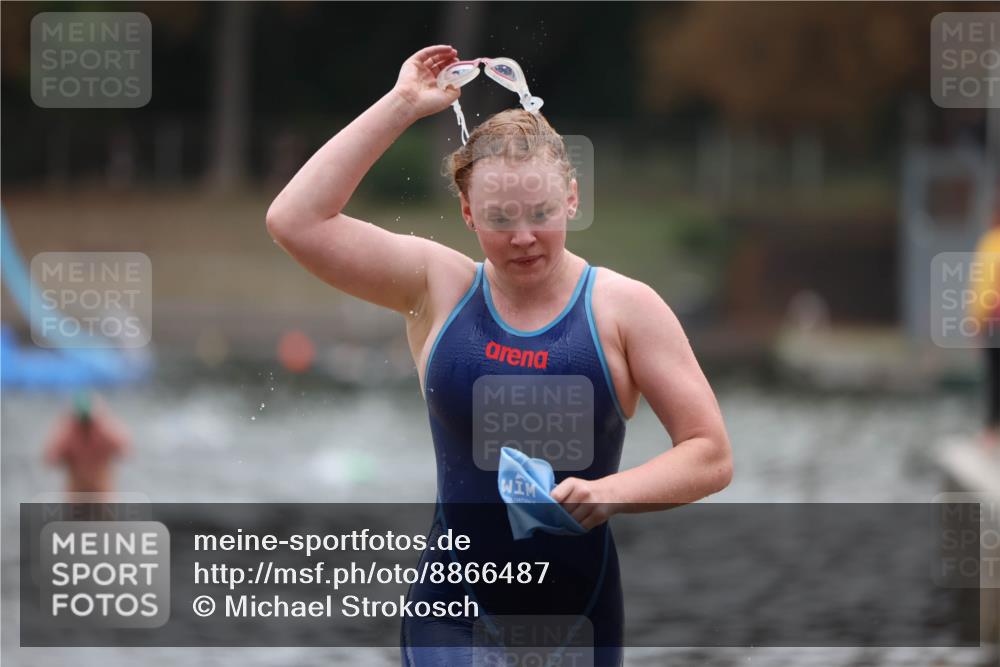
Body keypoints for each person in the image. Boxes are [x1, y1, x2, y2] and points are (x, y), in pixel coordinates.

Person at [266, 44, 733, 666]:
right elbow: (295, 220)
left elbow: (710, 454)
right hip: (453, 615)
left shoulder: (624, 308)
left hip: (577, 618)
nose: (522, 236)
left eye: (541, 213)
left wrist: (612, 493)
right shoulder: (438, 287)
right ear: (466, 213)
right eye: (498, 217)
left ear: (571, 197)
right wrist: (402, 105)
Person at [44, 391, 130, 495]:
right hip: (77, 493)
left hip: (101, 493)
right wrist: (65, 432)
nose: (85, 425)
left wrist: (103, 427)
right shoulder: (69, 433)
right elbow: (50, 458)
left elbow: (124, 449)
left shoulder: (103, 431)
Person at [969, 204, 1000, 449]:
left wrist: (976, 321)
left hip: (994, 321)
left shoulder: (991, 243)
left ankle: (991, 431)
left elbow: (984, 287)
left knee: (994, 376)